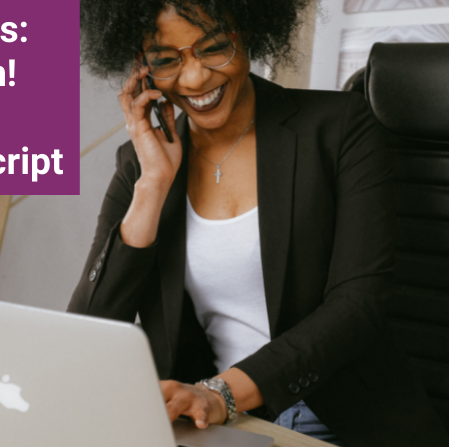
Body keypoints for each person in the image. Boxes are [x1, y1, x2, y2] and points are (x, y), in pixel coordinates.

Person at [69, 1, 449, 446]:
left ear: (248, 32)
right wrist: (153, 184)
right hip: (207, 422)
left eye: (213, 48)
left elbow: (359, 303)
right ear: (142, 65)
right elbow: (89, 331)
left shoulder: (339, 128)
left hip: (335, 417)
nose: (193, 79)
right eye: (166, 59)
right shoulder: (140, 164)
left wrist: (221, 393)